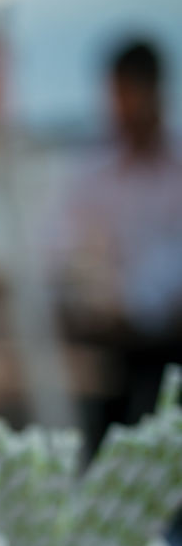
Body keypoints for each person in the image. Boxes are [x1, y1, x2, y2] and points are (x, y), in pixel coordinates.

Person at [51, 39, 182, 441]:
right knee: (108, 452)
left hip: (173, 346)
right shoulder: (92, 172)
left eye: (130, 94)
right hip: (113, 352)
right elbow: (58, 247)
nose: (122, 108)